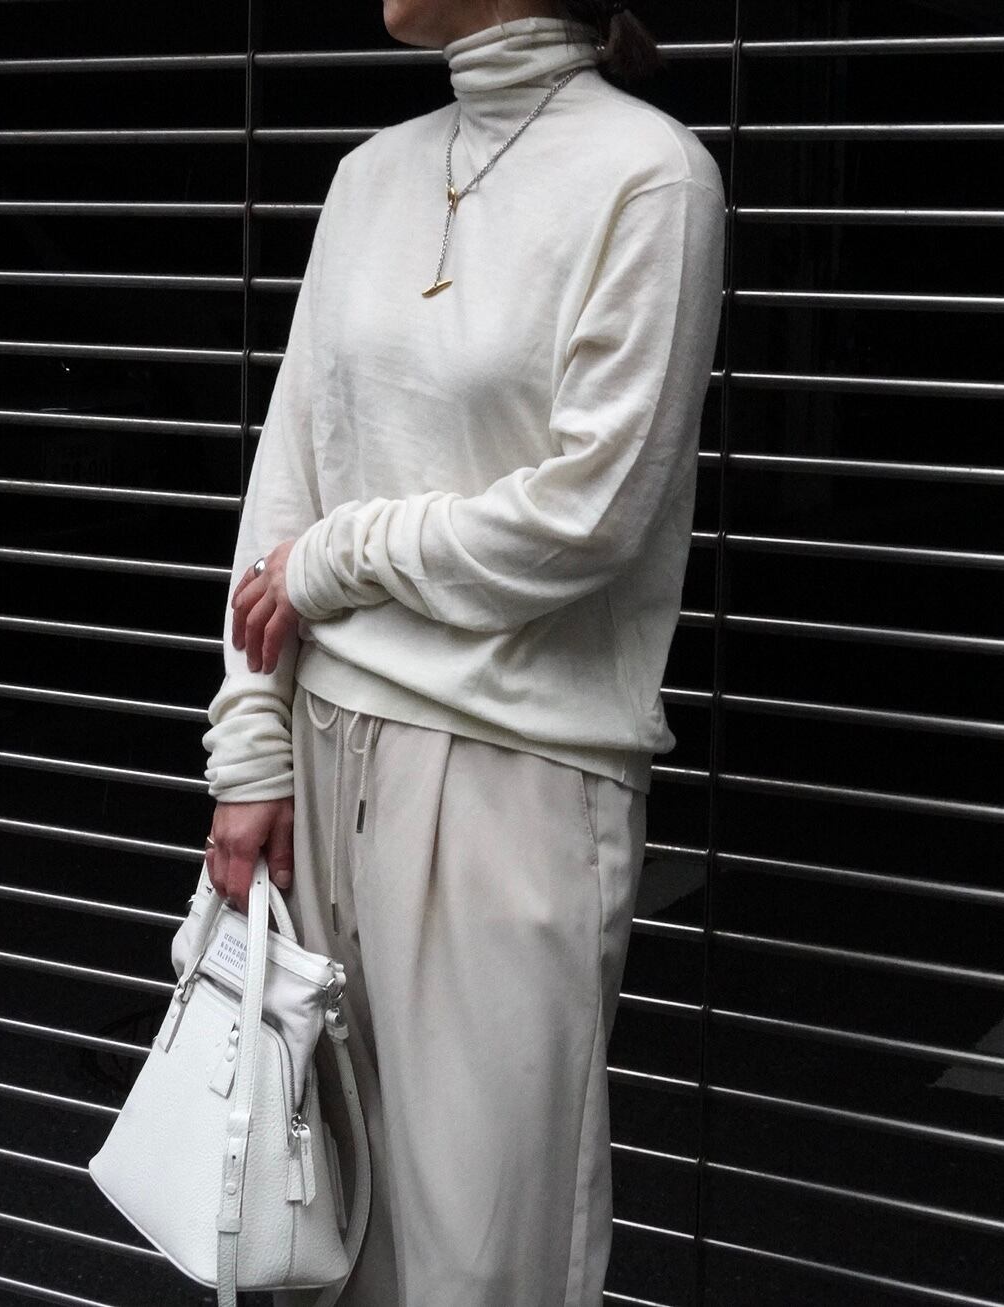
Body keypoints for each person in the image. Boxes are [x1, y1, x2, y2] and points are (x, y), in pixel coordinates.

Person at [201, 1, 725, 1302]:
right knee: (314, 1247)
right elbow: (285, 477)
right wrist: (248, 742)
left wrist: (341, 558)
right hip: (318, 753)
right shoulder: (368, 174)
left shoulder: (649, 175)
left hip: (513, 768)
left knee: (487, 1259)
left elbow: (591, 513)